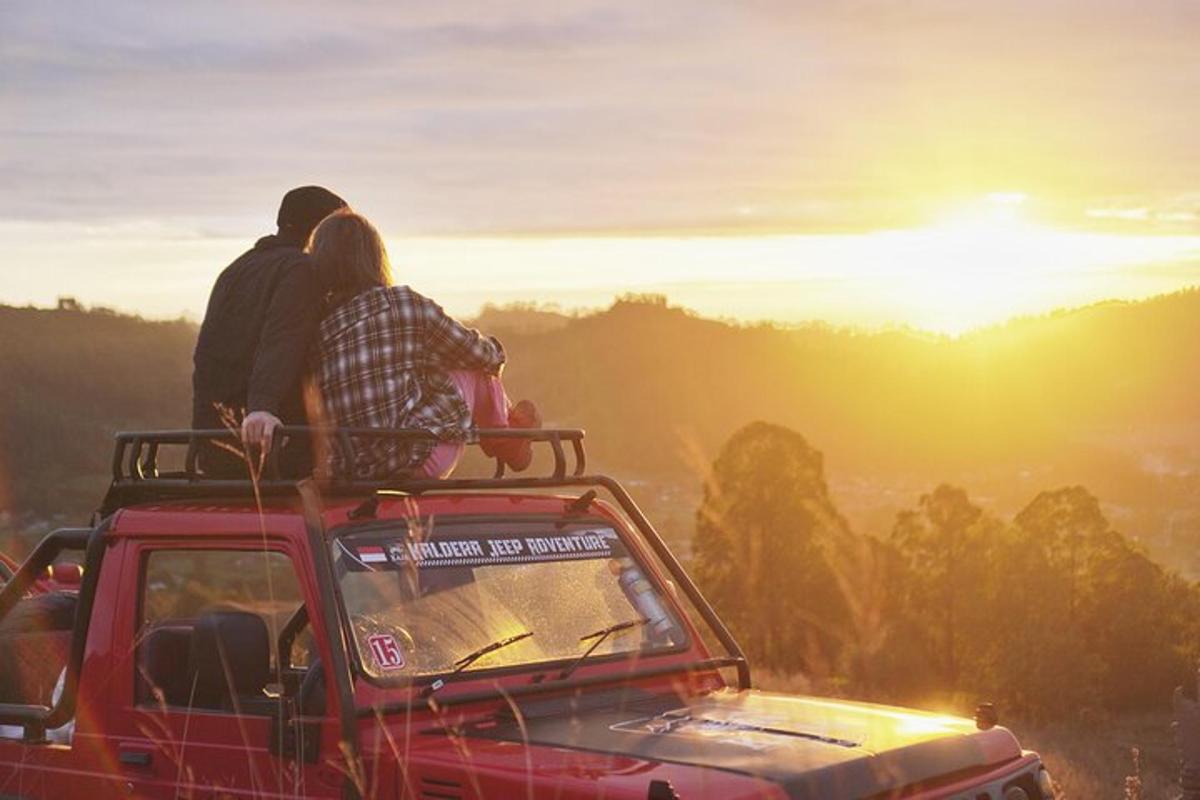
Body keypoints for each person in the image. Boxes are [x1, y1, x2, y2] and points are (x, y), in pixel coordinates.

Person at [308, 209, 540, 479]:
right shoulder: (402, 306)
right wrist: (496, 351)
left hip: (353, 470)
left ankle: (506, 432)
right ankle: (506, 438)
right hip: (418, 460)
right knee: (472, 365)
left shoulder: (320, 329)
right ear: (374, 258)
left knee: (430, 362)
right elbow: (478, 354)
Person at [191, 186, 348, 476]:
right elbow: (282, 338)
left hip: (217, 443)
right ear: (323, 230)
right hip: (269, 444)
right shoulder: (302, 269)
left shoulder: (235, 269)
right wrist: (263, 407)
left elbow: (205, 354)